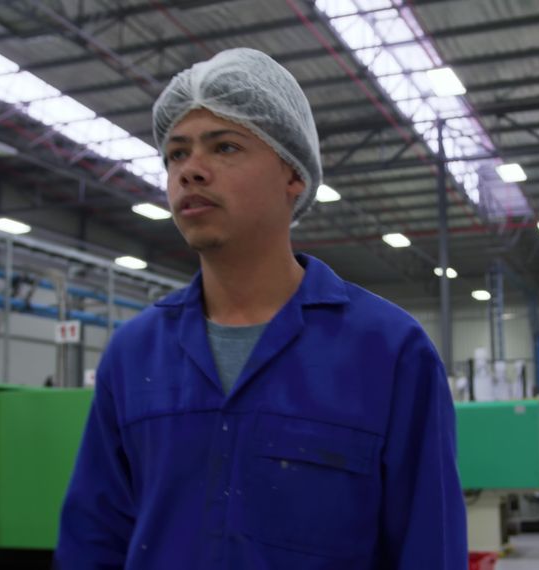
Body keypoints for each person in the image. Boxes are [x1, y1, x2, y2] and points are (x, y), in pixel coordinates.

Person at [54, 48, 467, 569]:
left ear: (293, 174)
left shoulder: (388, 353)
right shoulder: (135, 354)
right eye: (176, 154)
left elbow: (430, 546)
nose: (191, 171)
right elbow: (93, 540)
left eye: (224, 147)